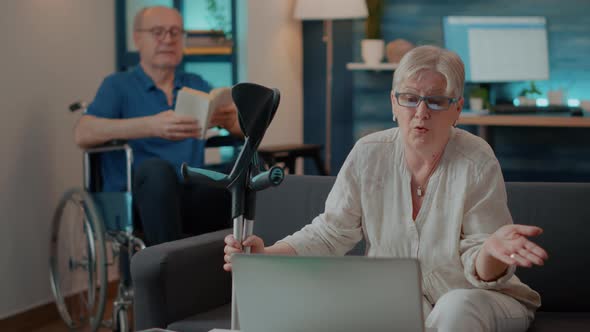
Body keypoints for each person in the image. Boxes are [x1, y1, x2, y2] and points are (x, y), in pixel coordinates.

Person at [223, 45, 548, 331]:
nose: (420, 113)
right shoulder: (368, 153)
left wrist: (491, 250)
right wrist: (265, 256)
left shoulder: (476, 160)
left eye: (435, 102)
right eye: (409, 99)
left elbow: (484, 267)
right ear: (394, 104)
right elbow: (329, 234)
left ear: (457, 109)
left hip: (482, 300)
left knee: (455, 307)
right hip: (406, 305)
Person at [75, 6, 241, 246]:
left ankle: (246, 264)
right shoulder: (118, 85)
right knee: (156, 171)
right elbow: (82, 133)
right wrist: (150, 126)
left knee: (246, 167)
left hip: (190, 191)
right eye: (158, 32)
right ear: (137, 38)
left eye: (175, 32)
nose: (168, 40)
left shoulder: (195, 84)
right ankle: (169, 274)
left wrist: (230, 121)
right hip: (140, 197)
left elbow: (243, 132)